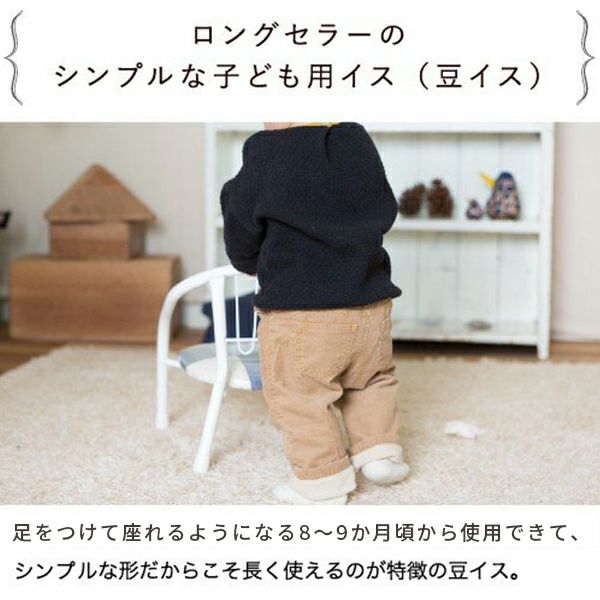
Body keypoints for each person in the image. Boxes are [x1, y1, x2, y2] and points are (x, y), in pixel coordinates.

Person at [220, 122, 409, 504]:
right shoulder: (355, 141)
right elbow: (384, 207)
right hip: (370, 304)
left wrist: (248, 260)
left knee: (300, 396)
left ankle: (322, 482)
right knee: (370, 379)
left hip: (301, 314)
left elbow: (240, 217)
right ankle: (379, 453)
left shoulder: (266, 150)